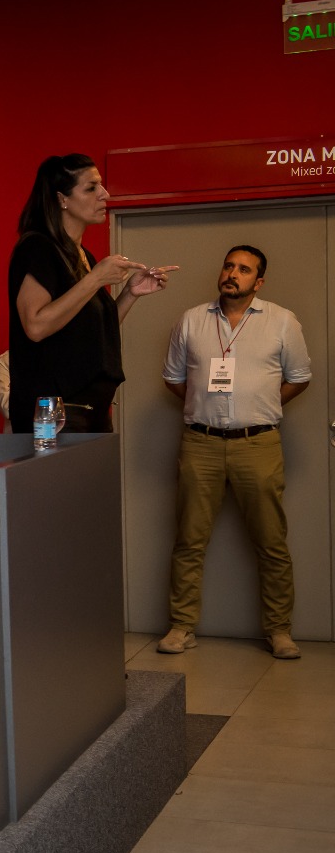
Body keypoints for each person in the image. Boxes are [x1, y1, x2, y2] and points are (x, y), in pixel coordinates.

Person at [159, 245, 311, 659]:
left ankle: (279, 631)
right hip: (200, 444)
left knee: (271, 542)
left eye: (244, 269)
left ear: (258, 282)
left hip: (258, 444)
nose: (232, 274)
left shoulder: (282, 321)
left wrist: (263, 405)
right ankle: (181, 626)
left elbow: (299, 378)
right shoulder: (191, 320)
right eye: (229, 266)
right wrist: (203, 405)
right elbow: (173, 379)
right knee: (188, 541)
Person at [7, 153, 177, 433]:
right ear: (62, 199)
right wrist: (96, 278)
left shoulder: (83, 255)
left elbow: (94, 331)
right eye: (91, 188)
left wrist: (130, 294)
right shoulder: (38, 247)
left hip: (91, 407)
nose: (105, 194)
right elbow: (35, 326)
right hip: (55, 411)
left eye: (101, 186)